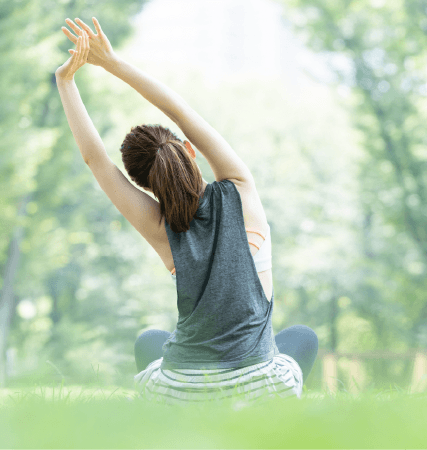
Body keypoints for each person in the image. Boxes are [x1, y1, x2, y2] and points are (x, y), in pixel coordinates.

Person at [58, 17, 319, 407]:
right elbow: (179, 111)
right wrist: (112, 63)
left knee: (150, 341)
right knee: (301, 337)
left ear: (146, 186)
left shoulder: (160, 226)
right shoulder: (240, 189)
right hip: (261, 389)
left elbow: (96, 160)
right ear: (190, 151)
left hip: (179, 394)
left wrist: (65, 81)